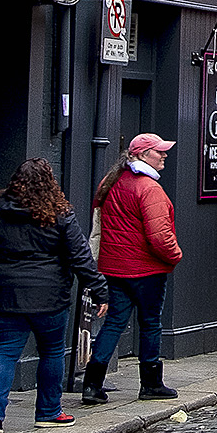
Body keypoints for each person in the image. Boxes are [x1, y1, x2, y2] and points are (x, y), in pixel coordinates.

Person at [0, 158, 105, 433]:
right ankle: (48, 412)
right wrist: (100, 290)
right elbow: (81, 258)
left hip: (5, 294)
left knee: (5, 352)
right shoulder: (60, 213)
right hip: (50, 297)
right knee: (52, 351)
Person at [85, 132, 183, 403]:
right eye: (158, 151)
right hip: (147, 270)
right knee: (151, 324)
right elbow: (159, 237)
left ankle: (92, 384)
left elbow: (98, 224)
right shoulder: (149, 188)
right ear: (141, 155)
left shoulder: (111, 181)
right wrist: (175, 256)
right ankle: (150, 384)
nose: (164, 155)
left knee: (114, 322)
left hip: (114, 268)